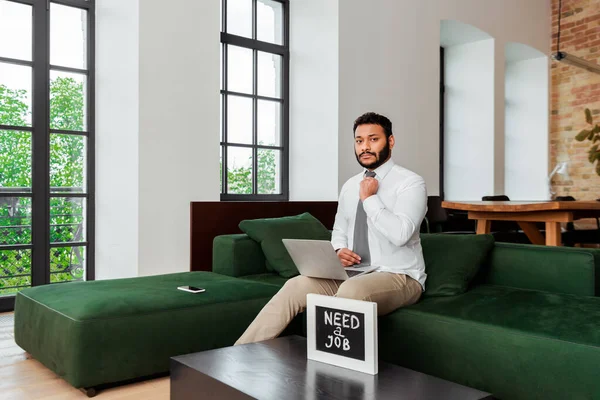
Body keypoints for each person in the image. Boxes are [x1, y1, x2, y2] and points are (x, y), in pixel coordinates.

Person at [235, 112, 427, 345]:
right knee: (296, 285)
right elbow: (339, 231)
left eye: (373, 139)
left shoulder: (410, 183)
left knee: (351, 293)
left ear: (391, 141)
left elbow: (401, 234)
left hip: (400, 275)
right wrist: (339, 250)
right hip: (354, 273)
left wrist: (369, 199)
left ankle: (329, 373)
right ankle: (239, 355)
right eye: (359, 141)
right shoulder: (349, 186)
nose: (365, 147)